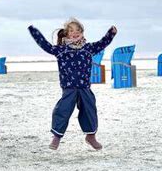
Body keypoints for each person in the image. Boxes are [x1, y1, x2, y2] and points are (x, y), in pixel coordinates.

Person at [28, 18, 117, 150]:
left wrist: (111, 33)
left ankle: (91, 136)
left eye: (78, 30)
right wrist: (34, 31)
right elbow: (45, 45)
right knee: (62, 110)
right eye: (71, 30)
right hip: (68, 87)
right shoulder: (61, 50)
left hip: (84, 87)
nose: (75, 33)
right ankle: (56, 137)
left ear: (82, 33)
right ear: (67, 34)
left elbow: (102, 43)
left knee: (89, 109)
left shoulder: (88, 48)